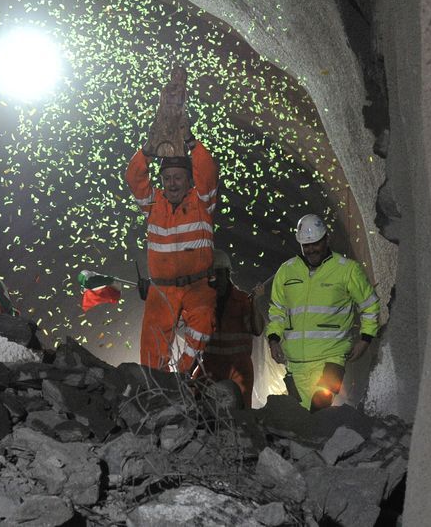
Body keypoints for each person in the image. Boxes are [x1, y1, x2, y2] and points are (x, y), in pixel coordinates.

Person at [266, 214, 380, 412]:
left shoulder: (347, 270)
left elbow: (369, 306)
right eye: (306, 246)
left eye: (316, 244)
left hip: (331, 358)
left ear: (327, 239)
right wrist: (273, 340)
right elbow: (277, 311)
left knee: (319, 407)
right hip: (296, 364)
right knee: (303, 420)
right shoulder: (286, 272)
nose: (311, 250)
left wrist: (365, 340)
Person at [126, 132, 219, 373]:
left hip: (196, 286)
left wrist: (192, 143)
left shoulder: (202, 203)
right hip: (162, 289)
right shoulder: (153, 203)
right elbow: (134, 178)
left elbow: (208, 172)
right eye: (167, 178)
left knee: (203, 319)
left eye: (178, 177)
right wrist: (147, 151)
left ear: (190, 180)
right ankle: (160, 386)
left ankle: (185, 375)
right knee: (151, 347)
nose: (172, 183)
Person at [196, 249, 265, 408]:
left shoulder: (241, 300)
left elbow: (258, 329)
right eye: (210, 276)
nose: (213, 281)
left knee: (239, 415)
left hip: (238, 369)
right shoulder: (202, 303)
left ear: (227, 274)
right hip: (210, 367)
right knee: (197, 408)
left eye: (217, 275)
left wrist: (255, 303)